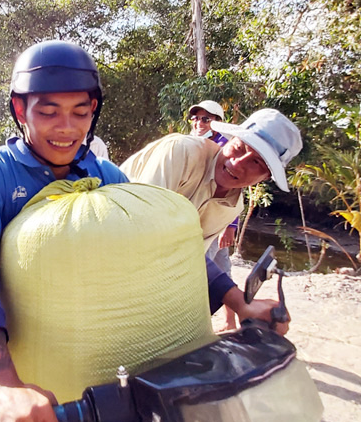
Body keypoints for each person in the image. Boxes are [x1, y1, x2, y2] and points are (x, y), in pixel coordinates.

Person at [0, 41, 285, 422]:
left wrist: (238, 302)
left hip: (93, 359)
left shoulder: (107, 176)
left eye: (80, 112)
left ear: (94, 112)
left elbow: (168, 249)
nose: (66, 128)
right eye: (48, 111)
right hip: (11, 364)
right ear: (19, 109)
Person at [120, 108, 303, 332]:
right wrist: (238, 301)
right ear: (229, 140)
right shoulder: (181, 152)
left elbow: (187, 260)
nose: (237, 163)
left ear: (264, 178)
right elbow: (147, 233)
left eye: (256, 163)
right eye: (239, 147)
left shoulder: (233, 206)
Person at [188, 100, 239, 329]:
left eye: (205, 119)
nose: (199, 122)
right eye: (196, 118)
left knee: (201, 272)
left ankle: (201, 326)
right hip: (196, 218)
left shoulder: (224, 146)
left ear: (218, 122)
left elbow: (236, 188)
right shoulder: (192, 143)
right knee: (221, 269)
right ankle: (230, 321)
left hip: (215, 220)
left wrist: (231, 225)